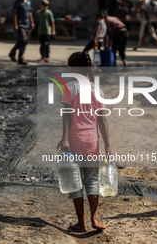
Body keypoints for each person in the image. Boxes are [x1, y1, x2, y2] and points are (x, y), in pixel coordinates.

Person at [57, 51, 111, 232]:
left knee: (74, 182)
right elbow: (103, 120)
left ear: (76, 68)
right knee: (93, 180)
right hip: (92, 142)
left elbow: (66, 117)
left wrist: (64, 138)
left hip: (74, 142)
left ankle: (81, 223)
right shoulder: (98, 90)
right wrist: (108, 145)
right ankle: (95, 218)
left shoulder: (70, 88)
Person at [8, 0, 35, 65]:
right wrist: (15, 24)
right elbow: (14, 13)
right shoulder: (17, 1)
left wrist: (32, 22)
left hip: (27, 24)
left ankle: (20, 59)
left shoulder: (28, 1)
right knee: (23, 39)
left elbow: (30, 12)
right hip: (20, 24)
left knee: (25, 41)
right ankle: (12, 53)